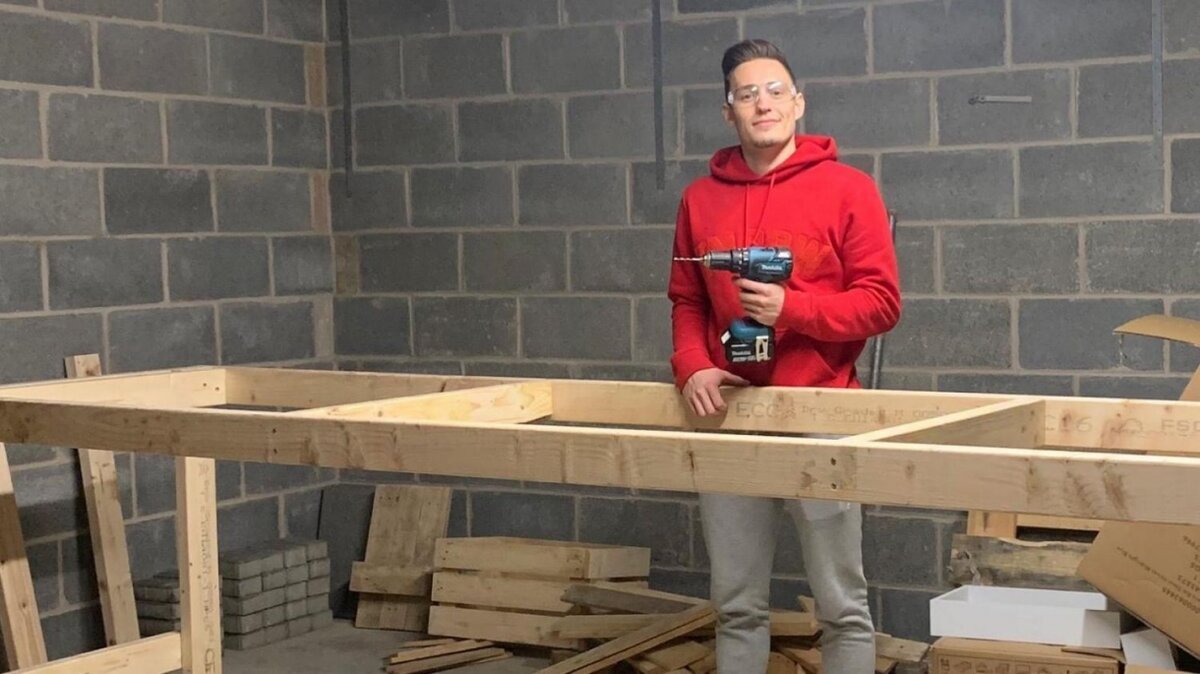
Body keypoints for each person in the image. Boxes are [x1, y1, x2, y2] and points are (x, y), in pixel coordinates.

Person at [666, 39, 902, 673]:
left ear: (798, 103)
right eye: (746, 94)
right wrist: (692, 365)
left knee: (842, 607)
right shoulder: (699, 199)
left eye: (774, 91)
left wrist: (790, 309)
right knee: (736, 606)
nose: (762, 103)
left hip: (821, 410)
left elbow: (882, 303)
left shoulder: (849, 190)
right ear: (729, 113)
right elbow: (686, 298)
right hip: (729, 415)